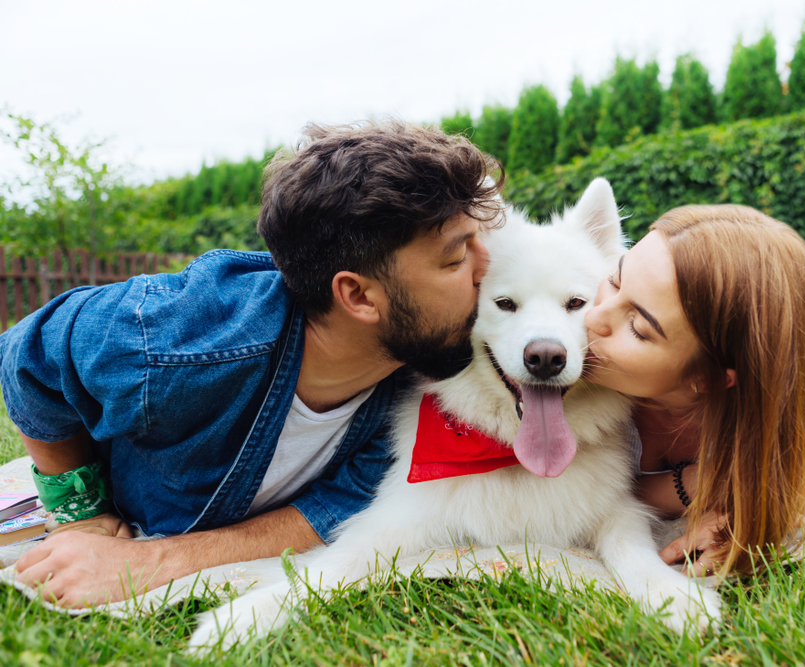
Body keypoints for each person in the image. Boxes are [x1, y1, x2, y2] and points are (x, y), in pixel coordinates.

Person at [0, 121, 504, 607]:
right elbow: (28, 358)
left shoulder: (424, 371)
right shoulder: (177, 339)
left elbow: (334, 507)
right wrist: (81, 512)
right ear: (358, 295)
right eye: (457, 259)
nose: (493, 271)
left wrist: (155, 561)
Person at [584, 204, 805, 577]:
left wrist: (746, 511)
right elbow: (565, 494)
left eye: (638, 327)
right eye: (615, 281)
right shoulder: (568, 383)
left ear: (710, 378)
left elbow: (789, 499)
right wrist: (706, 484)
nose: (593, 317)